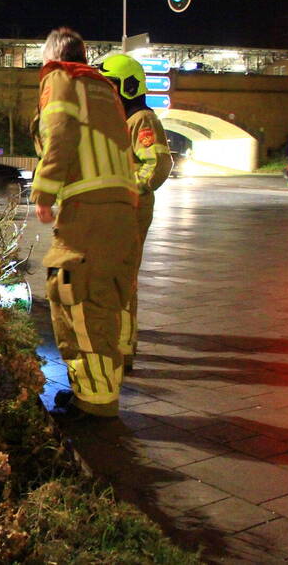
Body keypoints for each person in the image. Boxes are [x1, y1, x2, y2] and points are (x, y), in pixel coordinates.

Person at [30, 27, 139, 420]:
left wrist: (43, 192)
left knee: (75, 299)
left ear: (52, 57)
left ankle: (93, 404)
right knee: (104, 303)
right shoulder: (104, 90)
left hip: (87, 208)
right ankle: (100, 393)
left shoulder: (61, 78)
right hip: (122, 209)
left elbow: (59, 133)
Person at [100, 54, 174, 373]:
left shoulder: (141, 119)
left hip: (130, 208)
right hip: (114, 209)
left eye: (111, 85)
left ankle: (123, 348)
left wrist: (126, 187)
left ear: (128, 86)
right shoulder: (119, 119)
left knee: (123, 278)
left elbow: (157, 164)